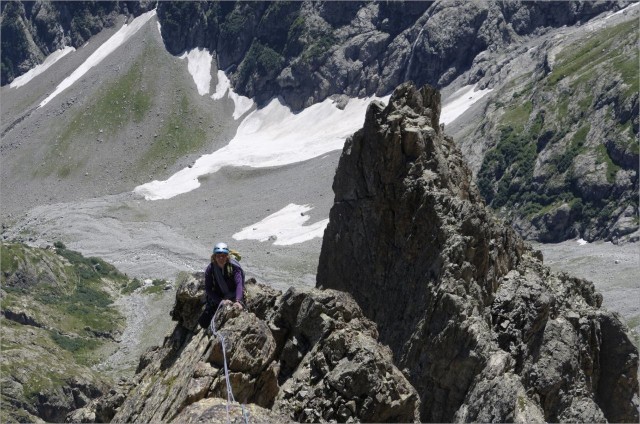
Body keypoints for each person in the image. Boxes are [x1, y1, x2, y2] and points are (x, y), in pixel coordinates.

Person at [198, 242, 245, 329]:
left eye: (223, 255)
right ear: (214, 257)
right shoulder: (210, 269)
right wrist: (221, 301)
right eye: (218, 255)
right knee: (204, 322)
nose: (221, 258)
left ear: (227, 256)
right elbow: (208, 289)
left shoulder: (234, 267)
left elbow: (239, 284)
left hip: (234, 296)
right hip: (218, 297)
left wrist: (238, 301)